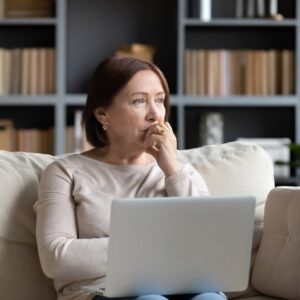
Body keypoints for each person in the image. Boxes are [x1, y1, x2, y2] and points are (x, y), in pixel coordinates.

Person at [34, 56, 227, 300]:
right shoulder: (64, 172)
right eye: (139, 101)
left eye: (159, 100)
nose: (155, 114)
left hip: (180, 287)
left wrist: (173, 171)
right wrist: (158, 247)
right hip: (103, 291)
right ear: (103, 114)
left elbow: (209, 247)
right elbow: (56, 258)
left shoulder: (178, 170)